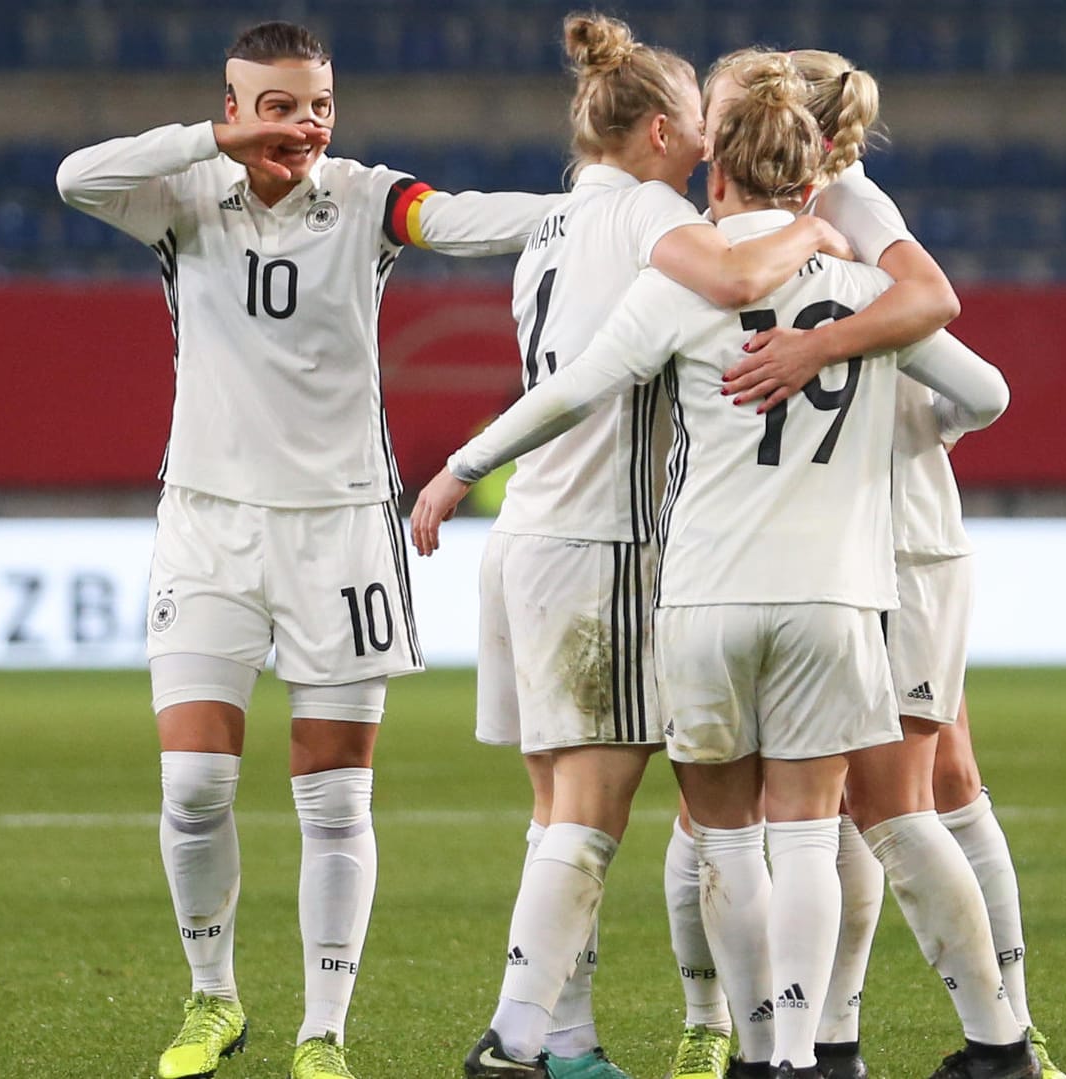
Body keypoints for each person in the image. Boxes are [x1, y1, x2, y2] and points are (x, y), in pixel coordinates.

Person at [408, 55, 1017, 1079]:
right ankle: (819, 1052)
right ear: (806, 177)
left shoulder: (681, 282)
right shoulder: (872, 291)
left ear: (717, 175)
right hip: (836, 599)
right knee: (819, 835)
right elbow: (985, 389)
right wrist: (907, 424)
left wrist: (460, 467)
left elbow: (574, 390)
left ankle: (748, 1047)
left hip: (703, 597)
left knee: (726, 842)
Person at [56, 22, 555, 1079]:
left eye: (320, 105)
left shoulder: (369, 199)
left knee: (334, 798)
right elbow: (73, 177)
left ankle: (322, 1028)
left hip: (341, 528)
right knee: (192, 782)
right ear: (233, 108)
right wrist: (209, 142)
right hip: (206, 520)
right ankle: (213, 1000)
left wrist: (593, 212)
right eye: (279, 105)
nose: (305, 126)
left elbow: (460, 220)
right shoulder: (183, 194)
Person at [455, 14, 852, 1079]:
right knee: (590, 818)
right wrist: (816, 233)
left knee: (555, 818)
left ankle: (567, 1038)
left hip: (528, 531)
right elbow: (728, 282)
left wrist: (459, 471)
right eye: (701, 120)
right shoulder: (648, 212)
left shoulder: (547, 225)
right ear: (669, 130)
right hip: (607, 540)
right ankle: (516, 1032)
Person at [705, 48, 1066, 1079]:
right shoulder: (800, 228)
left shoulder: (850, 213)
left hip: (899, 545)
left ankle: (1003, 1032)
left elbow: (977, 378)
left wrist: (891, 408)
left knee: (906, 797)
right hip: (857, 548)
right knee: (874, 802)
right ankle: (838, 1036)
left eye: (731, 106)